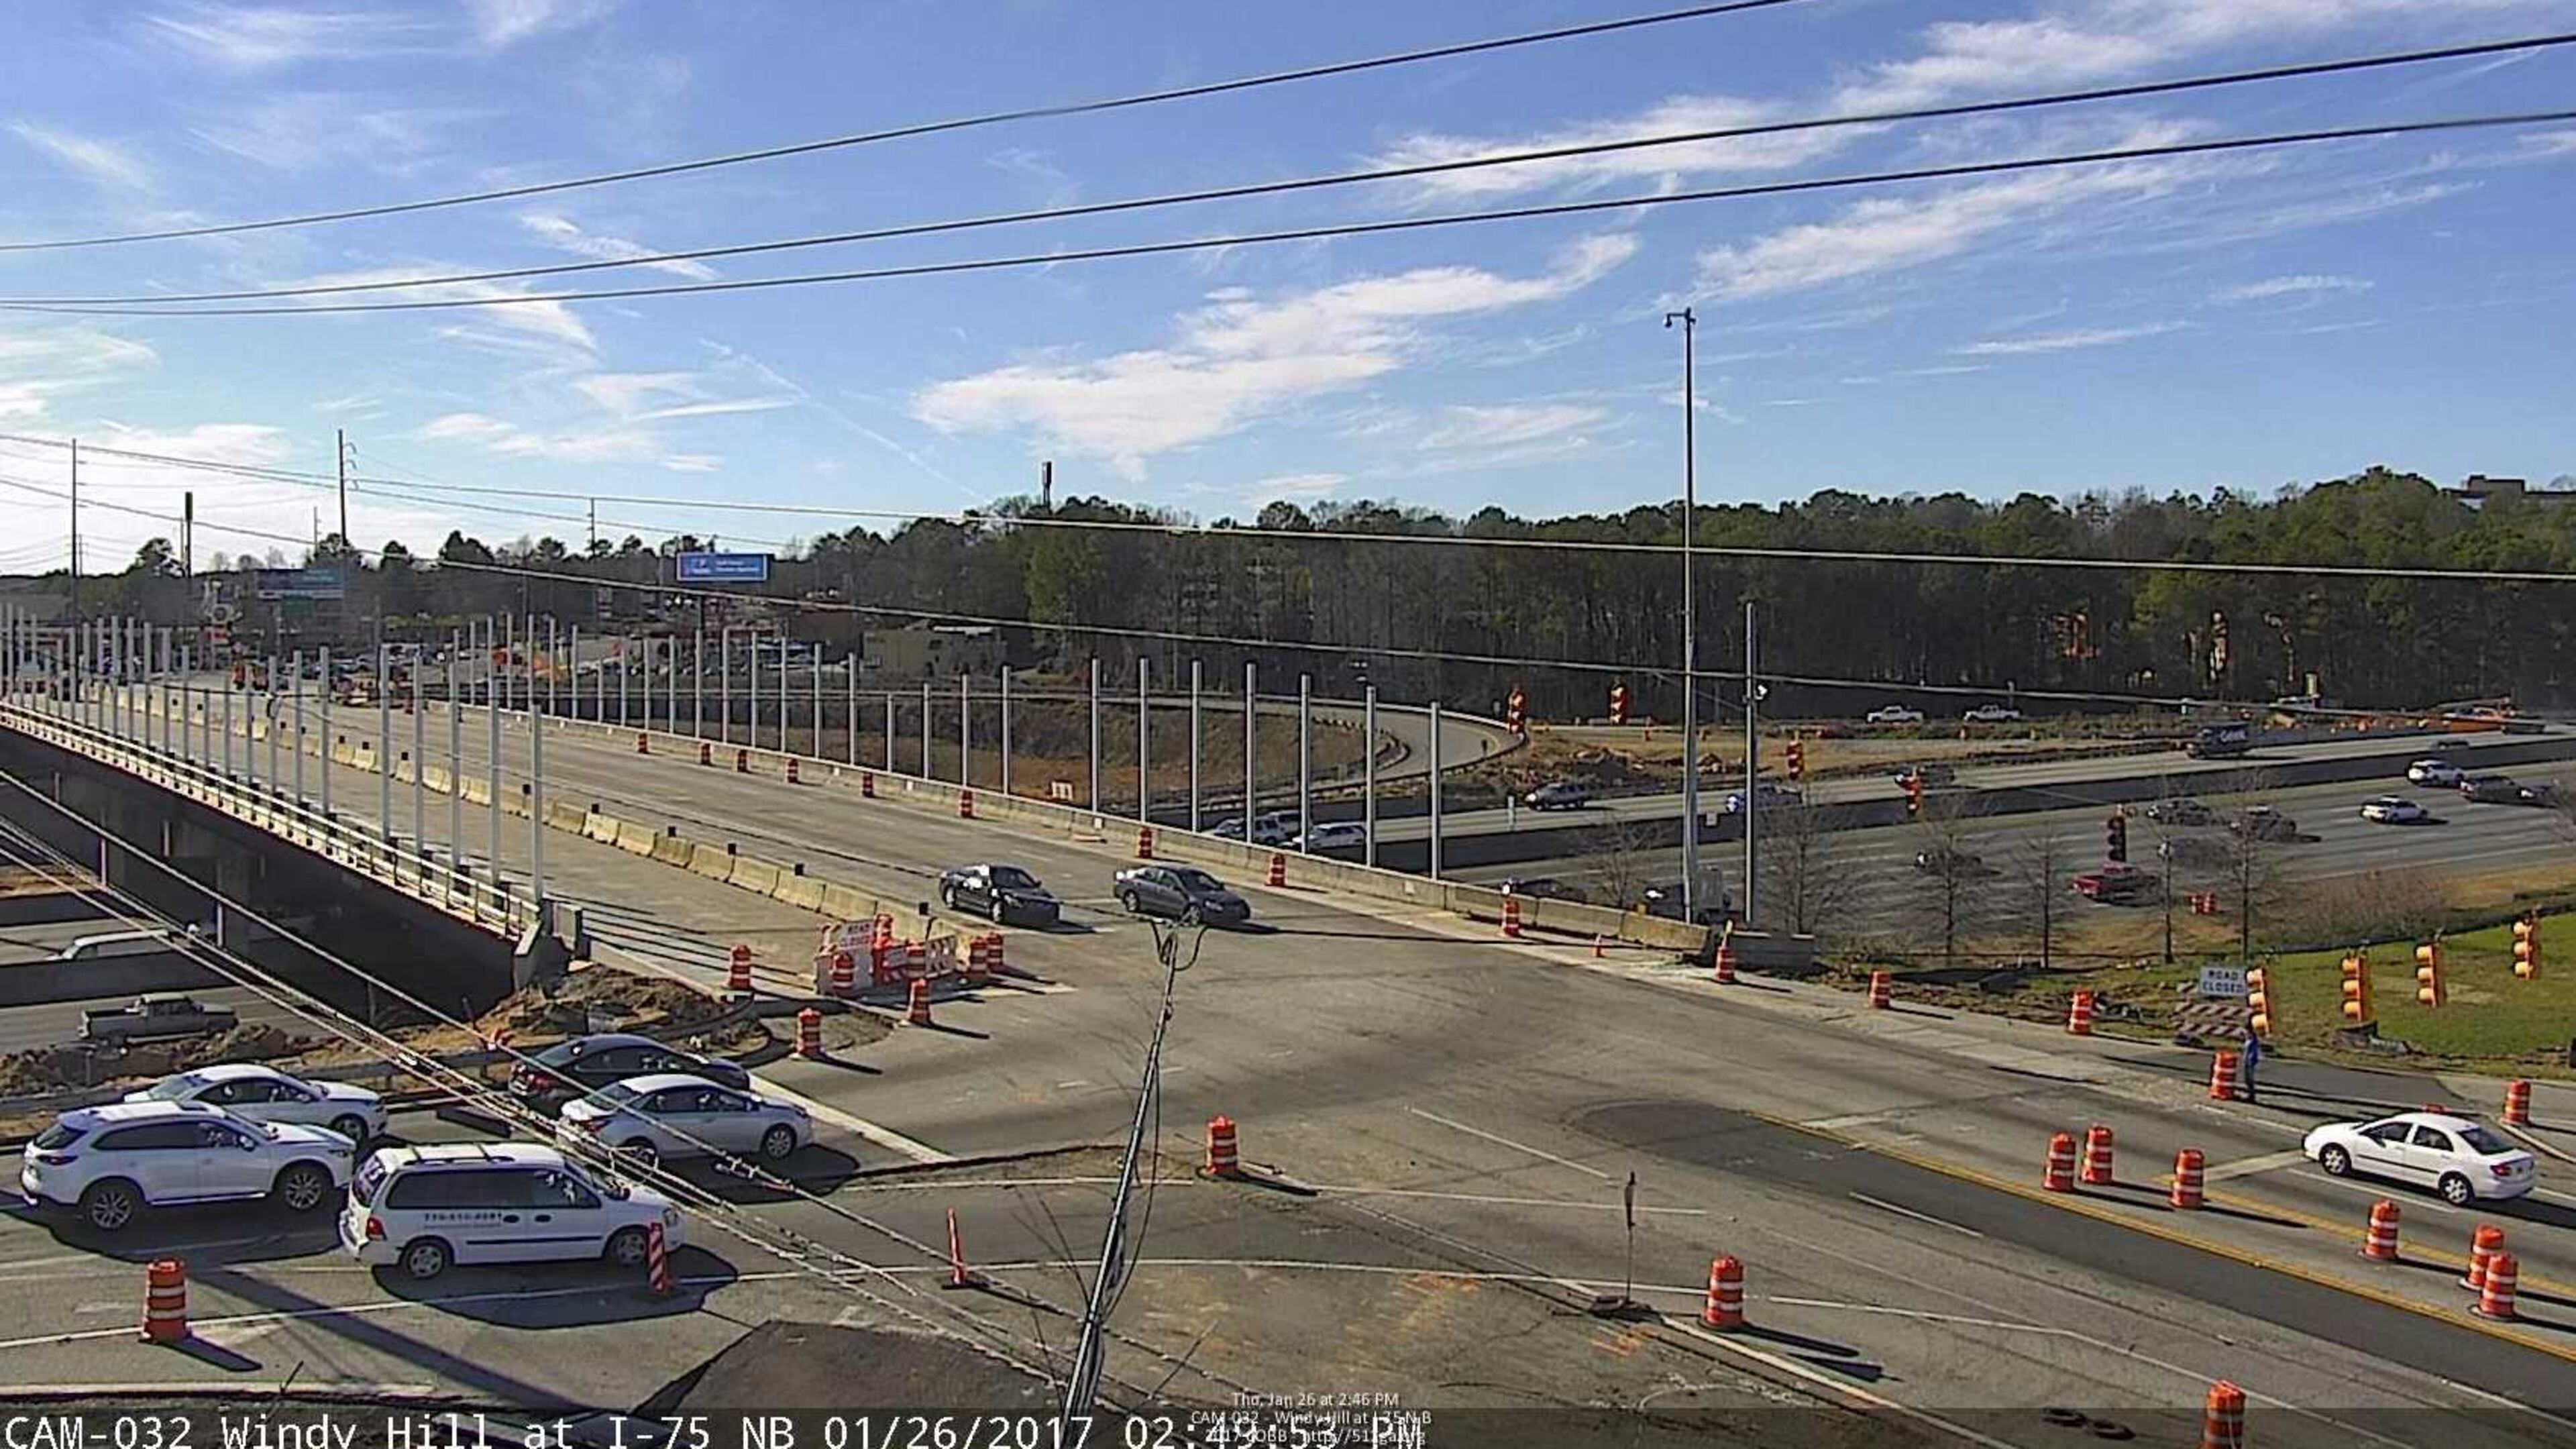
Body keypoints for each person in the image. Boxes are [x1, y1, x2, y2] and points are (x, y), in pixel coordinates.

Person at [2239, 1024, 2263, 1104]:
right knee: (2247, 1079)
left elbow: (2253, 1052)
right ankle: (2250, 1094)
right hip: (2247, 1061)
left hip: (2250, 1062)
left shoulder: (2253, 1041)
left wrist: (2250, 1061)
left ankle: (2252, 1096)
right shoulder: (2248, 1039)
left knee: (2249, 1079)